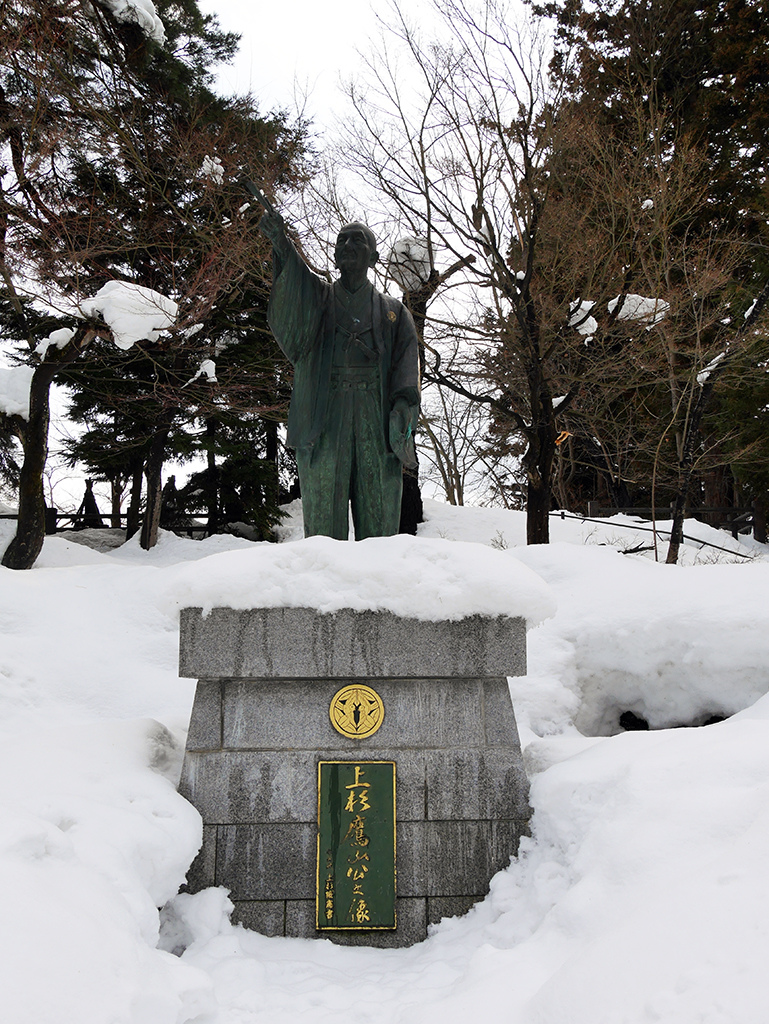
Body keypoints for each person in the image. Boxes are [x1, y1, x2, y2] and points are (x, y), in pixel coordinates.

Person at [259, 211, 420, 540]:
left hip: (374, 415)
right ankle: (320, 589)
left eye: (358, 239)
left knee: (379, 524)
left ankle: (376, 588)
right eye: (341, 240)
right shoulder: (318, 300)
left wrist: (402, 409)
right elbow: (296, 285)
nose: (348, 244)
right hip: (325, 411)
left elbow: (407, 369)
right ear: (334, 255)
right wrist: (280, 243)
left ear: (373, 257)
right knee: (322, 527)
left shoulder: (394, 312)